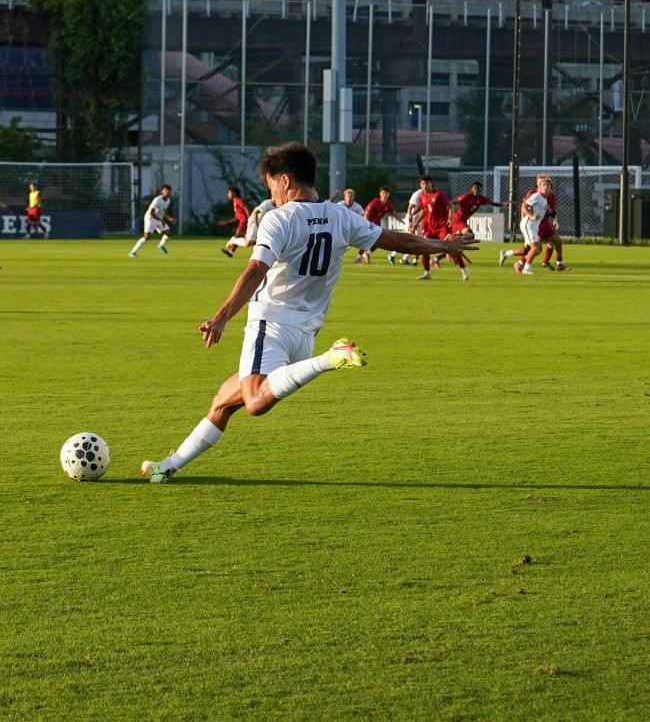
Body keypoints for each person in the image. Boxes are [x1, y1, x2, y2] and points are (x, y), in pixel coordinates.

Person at [140, 143, 475, 483]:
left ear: (285, 180)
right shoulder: (342, 216)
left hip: (271, 324)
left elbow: (256, 270)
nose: (272, 195)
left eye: (271, 186)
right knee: (224, 403)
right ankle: (168, 467)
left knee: (254, 402)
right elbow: (397, 240)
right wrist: (443, 245)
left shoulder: (279, 218)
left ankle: (331, 358)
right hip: (304, 334)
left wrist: (222, 316)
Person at [407, 175, 453, 280]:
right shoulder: (421, 196)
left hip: (442, 226)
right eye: (423, 183)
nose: (425, 185)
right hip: (430, 226)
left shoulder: (438, 194)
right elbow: (424, 210)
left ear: (431, 183)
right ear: (420, 185)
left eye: (427, 183)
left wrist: (450, 218)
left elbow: (450, 205)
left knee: (449, 246)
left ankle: (463, 269)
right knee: (423, 246)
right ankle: (427, 272)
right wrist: (414, 220)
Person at [505, 175, 552, 274]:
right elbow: (524, 205)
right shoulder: (537, 196)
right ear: (539, 187)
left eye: (548, 185)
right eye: (544, 185)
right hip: (528, 225)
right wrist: (531, 215)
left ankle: (506, 254)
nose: (546, 187)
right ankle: (526, 268)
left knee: (531, 250)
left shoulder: (544, 199)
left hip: (534, 227)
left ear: (551, 189)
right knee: (535, 248)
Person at [130, 185, 174, 257]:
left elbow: (163, 211)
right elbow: (152, 213)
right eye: (165, 190)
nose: (167, 192)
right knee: (147, 237)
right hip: (150, 218)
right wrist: (161, 220)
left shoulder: (168, 200)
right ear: (162, 191)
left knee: (168, 233)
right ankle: (132, 252)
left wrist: (169, 218)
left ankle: (161, 245)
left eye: (168, 190)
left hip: (159, 218)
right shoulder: (157, 200)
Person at [358, 186, 393, 264]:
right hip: (369, 224)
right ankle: (359, 257)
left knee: (379, 241)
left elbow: (394, 214)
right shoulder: (375, 202)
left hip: (377, 224)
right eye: (383, 193)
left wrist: (403, 222)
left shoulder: (389, 204)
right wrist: (366, 225)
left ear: (389, 194)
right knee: (367, 240)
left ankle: (366, 254)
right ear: (380, 194)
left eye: (386, 193)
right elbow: (366, 214)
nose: (385, 195)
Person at [222, 186, 251, 258]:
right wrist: (226, 222)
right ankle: (231, 252)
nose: (228, 195)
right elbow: (236, 218)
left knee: (237, 236)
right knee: (240, 237)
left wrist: (250, 219)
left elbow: (246, 207)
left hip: (244, 221)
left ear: (234, 194)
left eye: (229, 193)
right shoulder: (235, 202)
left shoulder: (238, 200)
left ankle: (230, 244)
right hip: (242, 221)